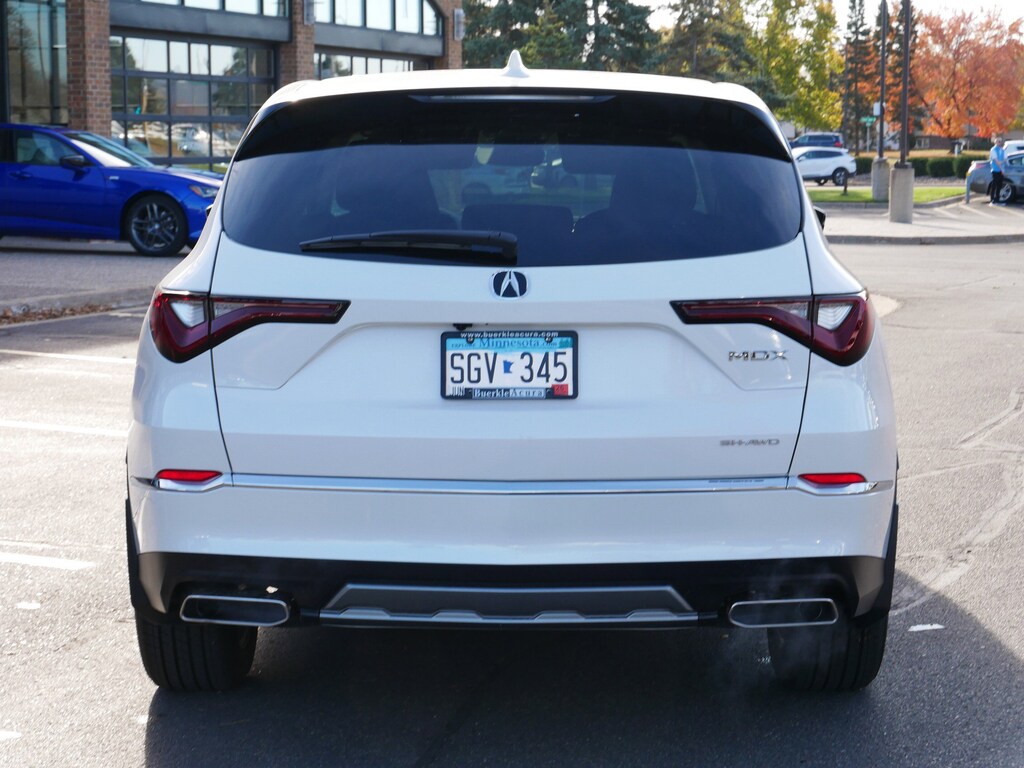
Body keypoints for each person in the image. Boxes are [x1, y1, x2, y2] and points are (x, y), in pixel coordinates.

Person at [989, 137, 1008, 205]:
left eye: (1000, 141)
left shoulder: (1002, 150)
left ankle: (997, 199)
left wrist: (1002, 163)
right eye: (997, 141)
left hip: (1001, 170)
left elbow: (1006, 158)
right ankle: (992, 200)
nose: (999, 142)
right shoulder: (993, 150)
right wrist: (1002, 167)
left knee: (999, 185)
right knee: (994, 185)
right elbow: (997, 161)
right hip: (995, 170)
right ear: (995, 142)